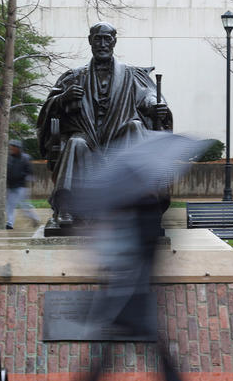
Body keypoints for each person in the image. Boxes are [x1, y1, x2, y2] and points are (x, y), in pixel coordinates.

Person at [47, 133, 212, 381]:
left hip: (127, 290)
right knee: (117, 357)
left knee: (138, 354)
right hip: (130, 292)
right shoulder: (143, 205)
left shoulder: (125, 203)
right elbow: (143, 252)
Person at [36, 22, 172, 227]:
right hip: (88, 139)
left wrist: (156, 106)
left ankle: (138, 204)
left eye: (107, 39)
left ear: (114, 42)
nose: (102, 44)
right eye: (97, 39)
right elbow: (47, 110)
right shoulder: (74, 76)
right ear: (90, 41)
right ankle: (66, 207)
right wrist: (63, 98)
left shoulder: (130, 75)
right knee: (75, 143)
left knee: (134, 128)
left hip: (118, 137)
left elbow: (148, 97)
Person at [6, 139, 40, 230]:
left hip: (21, 186)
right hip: (11, 186)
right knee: (10, 206)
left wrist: (24, 177)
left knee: (24, 205)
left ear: (18, 148)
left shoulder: (25, 158)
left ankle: (35, 219)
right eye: (11, 147)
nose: (11, 148)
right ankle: (9, 223)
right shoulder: (10, 158)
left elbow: (30, 172)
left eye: (13, 147)